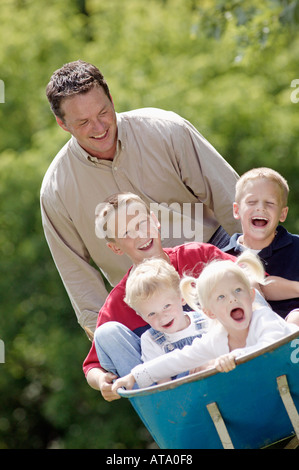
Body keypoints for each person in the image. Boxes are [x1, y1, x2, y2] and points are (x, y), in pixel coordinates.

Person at [40, 59, 241, 332]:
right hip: (142, 301)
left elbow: (231, 199)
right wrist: (104, 340)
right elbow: (78, 277)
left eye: (103, 112)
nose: (99, 128)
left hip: (209, 263)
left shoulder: (167, 130)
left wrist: (258, 265)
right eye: (84, 122)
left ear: (111, 99)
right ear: (62, 124)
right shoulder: (55, 190)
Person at [83, 192, 238, 401]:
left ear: (155, 220)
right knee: (105, 333)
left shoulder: (197, 256)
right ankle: (169, 410)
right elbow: (92, 366)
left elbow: (252, 282)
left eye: (142, 223)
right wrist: (101, 380)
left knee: (238, 284)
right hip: (168, 390)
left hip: (223, 363)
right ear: (115, 247)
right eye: (126, 232)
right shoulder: (119, 301)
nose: (140, 235)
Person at [112, 252, 299, 391]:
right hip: (276, 384)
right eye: (221, 297)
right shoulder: (217, 338)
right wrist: (133, 376)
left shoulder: (262, 319)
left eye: (238, 291)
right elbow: (179, 359)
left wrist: (237, 356)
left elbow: (272, 344)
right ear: (209, 313)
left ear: (251, 296)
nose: (232, 299)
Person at [222, 167, 299, 323]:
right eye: (251, 202)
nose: (260, 208)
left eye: (270, 203)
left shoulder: (296, 247)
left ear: (283, 214)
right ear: (236, 210)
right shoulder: (222, 259)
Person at [121, 257, 208, 383]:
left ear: (182, 297)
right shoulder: (151, 340)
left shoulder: (205, 320)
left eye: (166, 306)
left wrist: (208, 363)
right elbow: (164, 384)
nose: (162, 317)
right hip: (184, 393)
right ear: (141, 316)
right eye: (151, 314)